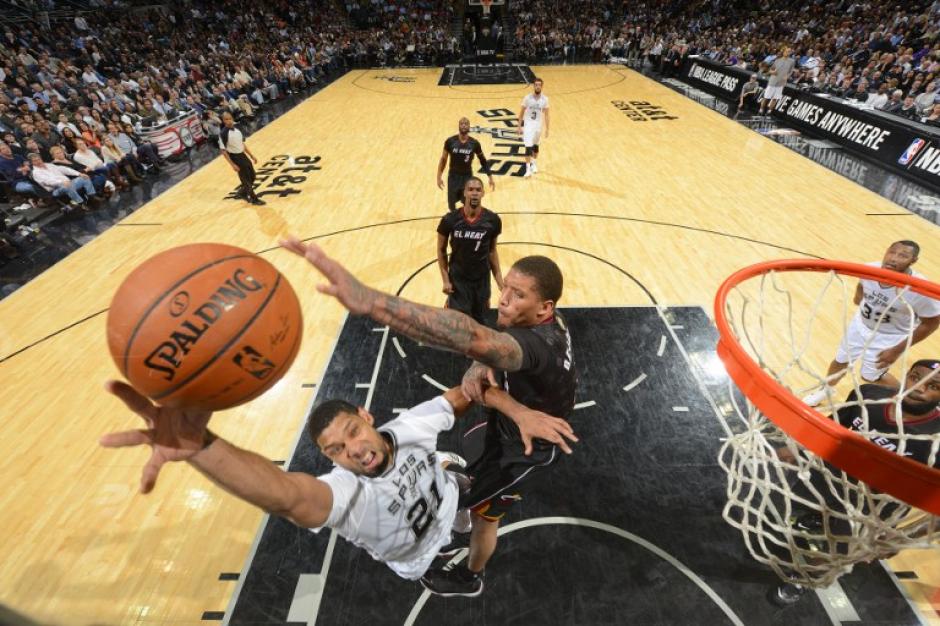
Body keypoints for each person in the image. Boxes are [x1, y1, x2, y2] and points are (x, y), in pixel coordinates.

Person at [280, 237, 579, 596]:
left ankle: (470, 577)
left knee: (483, 516)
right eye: (505, 288)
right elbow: (496, 349)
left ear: (544, 307)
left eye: (518, 295)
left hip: (525, 450)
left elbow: (474, 337)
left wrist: (374, 303)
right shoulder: (547, 322)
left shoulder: (537, 346)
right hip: (508, 426)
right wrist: (508, 397)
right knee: (464, 477)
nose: (503, 299)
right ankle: (461, 504)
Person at [100, 381, 560, 581]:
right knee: (432, 534)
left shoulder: (410, 426)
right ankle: (444, 493)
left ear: (367, 415)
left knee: (451, 484)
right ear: (327, 459)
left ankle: (446, 479)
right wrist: (200, 445)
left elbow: (468, 390)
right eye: (335, 450)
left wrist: (516, 408)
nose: (353, 450)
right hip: (416, 557)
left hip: (447, 501)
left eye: (353, 432)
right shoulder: (346, 493)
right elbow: (285, 495)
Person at [774, 360, 940, 604]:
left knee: (840, 554)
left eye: (934, 386)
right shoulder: (868, 395)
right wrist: (797, 446)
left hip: (874, 507)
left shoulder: (936, 439)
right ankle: (818, 517)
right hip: (833, 475)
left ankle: (803, 579)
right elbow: (832, 426)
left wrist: (904, 537)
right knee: (783, 498)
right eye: (916, 377)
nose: (919, 388)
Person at [803, 241, 940, 407]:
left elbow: (931, 324)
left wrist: (897, 350)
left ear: (913, 261)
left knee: (870, 376)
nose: (893, 258)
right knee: (840, 360)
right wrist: (858, 298)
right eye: (892, 252)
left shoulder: (920, 289)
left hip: (889, 337)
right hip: (860, 325)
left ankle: (906, 399)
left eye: (903, 256)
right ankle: (826, 390)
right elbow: (861, 286)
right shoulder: (870, 268)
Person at [437, 176, 504, 325]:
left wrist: (500, 281)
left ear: (483, 193)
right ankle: (450, 305)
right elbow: (441, 251)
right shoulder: (450, 220)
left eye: (478, 190)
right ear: (464, 193)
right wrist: (445, 280)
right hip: (458, 279)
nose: (474, 193)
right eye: (471, 189)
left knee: (480, 321)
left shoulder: (493, 220)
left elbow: (492, 251)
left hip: (482, 279)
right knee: (460, 322)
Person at [436, 117, 494, 212]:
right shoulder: (450, 141)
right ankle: (454, 219)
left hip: (467, 177)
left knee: (468, 203)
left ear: (469, 127)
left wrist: (490, 176)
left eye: (466, 124)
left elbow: (483, 160)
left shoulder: (474, 143)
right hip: (453, 177)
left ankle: (466, 219)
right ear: (459, 126)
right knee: (451, 205)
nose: (464, 125)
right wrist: (439, 176)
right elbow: (443, 159)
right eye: (462, 124)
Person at [218, 111, 264, 205]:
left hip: (243, 155)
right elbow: (223, 151)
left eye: (230, 118)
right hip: (235, 157)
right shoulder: (223, 134)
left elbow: (242, 144)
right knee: (246, 180)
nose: (229, 121)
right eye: (226, 119)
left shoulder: (237, 130)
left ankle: (241, 193)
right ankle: (254, 199)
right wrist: (232, 164)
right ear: (223, 121)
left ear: (232, 118)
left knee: (252, 176)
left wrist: (251, 155)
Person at [518, 78, 550, 178]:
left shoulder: (545, 99)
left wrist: (547, 129)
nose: (537, 86)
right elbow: (521, 113)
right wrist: (519, 126)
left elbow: (547, 115)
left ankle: (534, 164)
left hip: (538, 126)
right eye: (536, 85)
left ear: (542, 86)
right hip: (528, 126)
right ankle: (528, 170)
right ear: (534, 86)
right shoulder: (527, 98)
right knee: (528, 147)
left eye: (539, 85)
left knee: (536, 147)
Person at [759, 47, 795, 116]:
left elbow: (791, 71)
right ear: (783, 52)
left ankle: (769, 112)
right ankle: (761, 110)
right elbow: (770, 70)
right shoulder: (777, 60)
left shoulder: (792, 61)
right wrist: (773, 72)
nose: (787, 53)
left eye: (789, 52)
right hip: (772, 81)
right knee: (766, 97)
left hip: (781, 83)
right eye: (786, 51)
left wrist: (787, 76)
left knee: (775, 98)